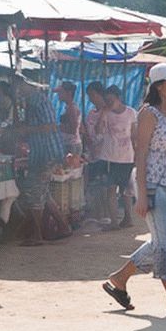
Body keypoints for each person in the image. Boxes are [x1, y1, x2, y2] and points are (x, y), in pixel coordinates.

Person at [101, 64, 166, 316]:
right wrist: (142, 194)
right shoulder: (148, 114)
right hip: (152, 186)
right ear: (159, 86)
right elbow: (141, 154)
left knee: (160, 242)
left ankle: (119, 279)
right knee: (164, 244)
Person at [13, 77, 66, 246]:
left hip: (46, 152)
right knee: (43, 192)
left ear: (25, 84)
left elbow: (50, 126)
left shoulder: (38, 100)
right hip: (41, 152)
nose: (17, 90)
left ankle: (37, 234)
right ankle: (63, 226)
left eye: (18, 86)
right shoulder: (31, 101)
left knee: (34, 191)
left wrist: (27, 129)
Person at [98, 85, 137, 229]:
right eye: (106, 100)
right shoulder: (106, 113)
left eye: (111, 100)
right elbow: (98, 131)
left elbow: (134, 136)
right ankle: (114, 221)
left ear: (118, 98)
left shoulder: (131, 113)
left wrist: (137, 156)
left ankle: (128, 218)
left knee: (126, 190)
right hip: (110, 156)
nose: (109, 103)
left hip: (126, 157)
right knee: (111, 189)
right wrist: (103, 114)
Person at [83, 81, 109, 221]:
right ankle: (98, 214)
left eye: (92, 95)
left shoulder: (108, 112)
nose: (90, 98)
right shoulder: (91, 113)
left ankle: (105, 213)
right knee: (95, 185)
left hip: (104, 153)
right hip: (92, 152)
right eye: (89, 96)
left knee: (104, 184)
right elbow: (88, 133)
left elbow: (103, 132)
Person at [53, 81, 82, 156]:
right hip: (69, 144)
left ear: (68, 93)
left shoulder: (72, 108)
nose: (58, 95)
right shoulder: (69, 107)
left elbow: (73, 129)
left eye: (61, 92)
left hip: (71, 145)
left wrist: (56, 128)